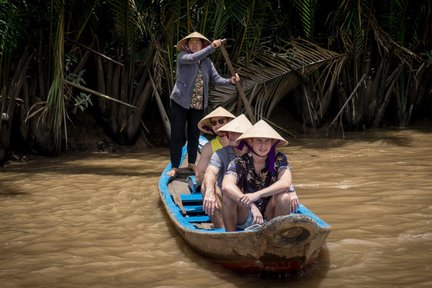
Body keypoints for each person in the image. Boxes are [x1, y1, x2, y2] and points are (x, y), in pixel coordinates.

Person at [167, 32, 240, 178]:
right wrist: (212, 47)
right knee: (177, 134)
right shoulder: (183, 56)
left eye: (197, 43)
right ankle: (175, 166)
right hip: (180, 102)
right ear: (187, 45)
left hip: (198, 104)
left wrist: (230, 81)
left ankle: (192, 163)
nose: (194, 45)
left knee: (194, 134)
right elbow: (194, 57)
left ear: (202, 45)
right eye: (191, 43)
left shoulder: (207, 62)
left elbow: (216, 79)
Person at [221, 120, 297, 231]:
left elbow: (285, 183)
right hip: (246, 215)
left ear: (272, 143)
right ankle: (231, 237)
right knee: (228, 196)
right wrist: (251, 205)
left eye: (267, 141)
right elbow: (226, 185)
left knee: (284, 197)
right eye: (259, 141)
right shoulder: (239, 162)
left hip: (270, 216)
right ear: (251, 142)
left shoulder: (279, 159)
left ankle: (277, 236)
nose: (263, 146)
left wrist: (257, 195)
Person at [201, 114, 252, 228]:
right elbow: (210, 171)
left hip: (250, 205)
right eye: (230, 132)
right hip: (228, 204)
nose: (232, 136)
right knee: (206, 185)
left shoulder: (257, 153)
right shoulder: (221, 153)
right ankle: (222, 229)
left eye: (236, 132)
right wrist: (209, 192)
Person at [196, 107, 235, 183]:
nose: (218, 125)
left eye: (221, 121)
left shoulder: (239, 143)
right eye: (214, 123)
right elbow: (198, 177)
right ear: (211, 126)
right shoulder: (208, 148)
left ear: (228, 122)